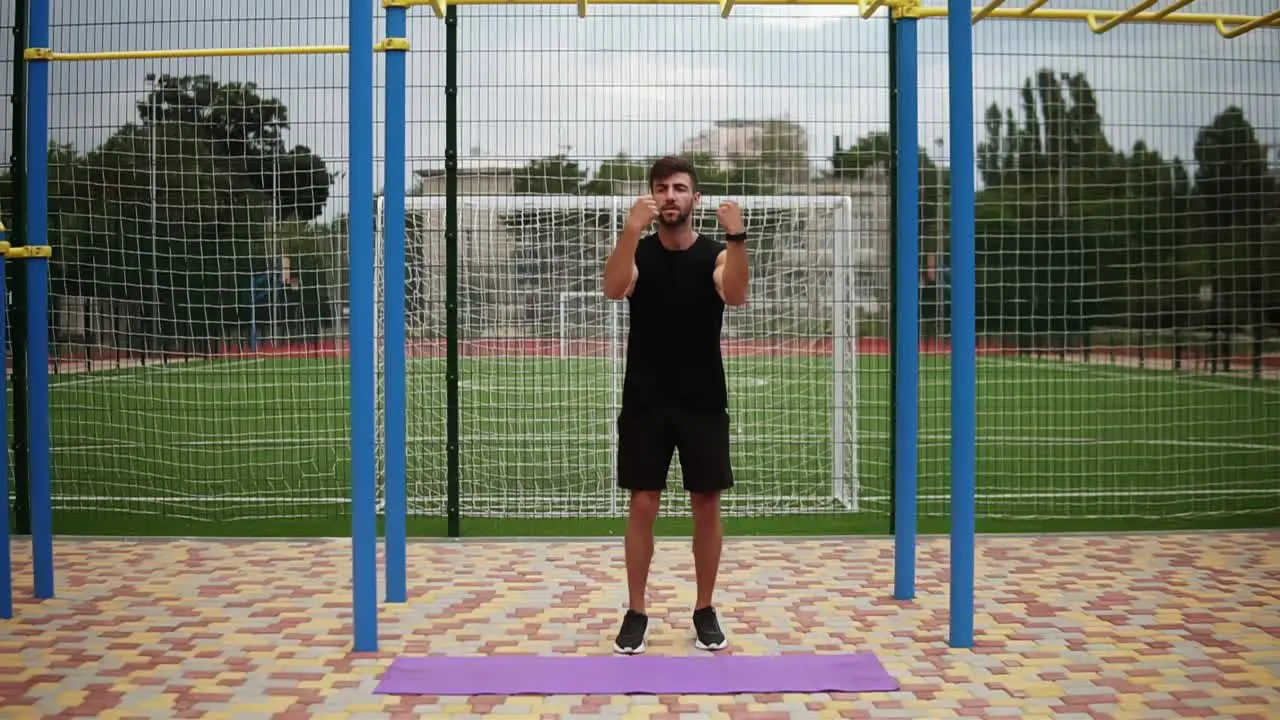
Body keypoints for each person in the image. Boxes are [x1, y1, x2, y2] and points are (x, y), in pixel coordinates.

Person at [601, 155, 750, 655]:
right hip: (645, 399)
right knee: (642, 502)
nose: (670, 196)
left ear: (695, 199)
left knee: (706, 503)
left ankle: (704, 608)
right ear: (651, 196)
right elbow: (613, 288)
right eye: (661, 188)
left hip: (703, 400)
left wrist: (737, 237)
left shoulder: (717, 254)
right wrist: (628, 231)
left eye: (680, 188)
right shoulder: (638, 251)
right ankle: (636, 610)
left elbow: (736, 296)